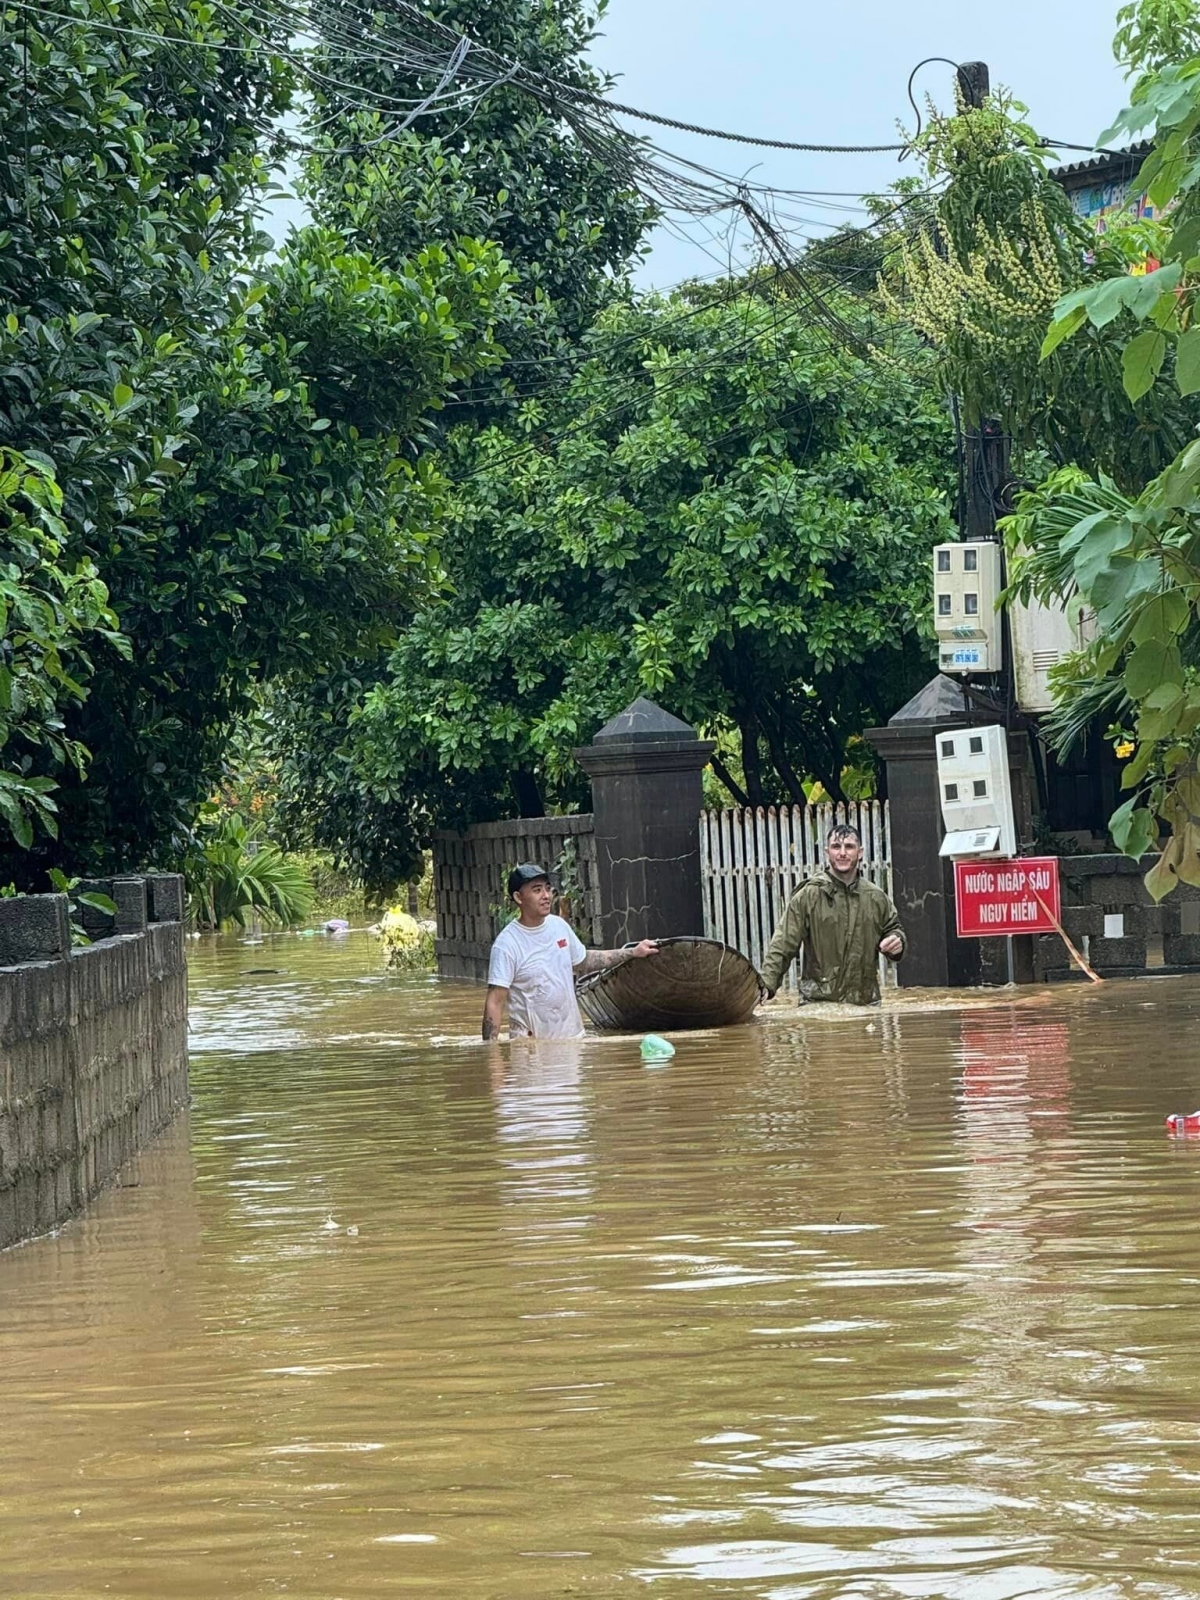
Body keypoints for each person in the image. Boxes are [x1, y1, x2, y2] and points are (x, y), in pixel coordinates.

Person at [482, 863, 658, 1040]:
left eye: (548, 889)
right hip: (531, 1052)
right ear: (518, 897)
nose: (546, 896)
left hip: (572, 1041)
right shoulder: (507, 945)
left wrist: (633, 953)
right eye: (537, 890)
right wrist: (492, 1056)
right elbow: (495, 1002)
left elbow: (583, 961)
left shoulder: (559, 926)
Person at [759, 823, 905, 1005]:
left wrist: (897, 941)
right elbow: (783, 944)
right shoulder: (809, 895)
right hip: (817, 1005)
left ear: (860, 853)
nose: (842, 853)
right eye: (836, 847)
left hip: (866, 1005)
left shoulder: (876, 897)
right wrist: (766, 984)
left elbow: (894, 929)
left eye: (849, 847)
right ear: (827, 852)